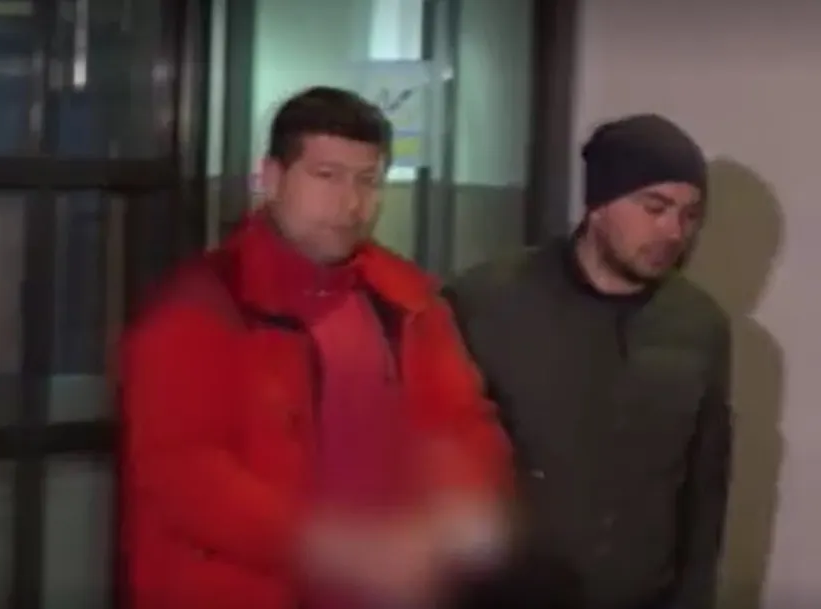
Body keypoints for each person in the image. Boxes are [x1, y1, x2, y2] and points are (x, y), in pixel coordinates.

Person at [117, 86, 512, 609]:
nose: (350, 203)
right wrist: (328, 547)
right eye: (326, 176)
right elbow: (183, 473)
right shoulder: (197, 308)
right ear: (272, 178)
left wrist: (462, 507)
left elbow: (460, 423)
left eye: (368, 180)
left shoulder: (408, 299)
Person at [444, 114, 732, 609]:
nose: (673, 231)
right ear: (598, 204)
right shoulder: (487, 303)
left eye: (689, 214)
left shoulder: (699, 325)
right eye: (654, 207)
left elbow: (705, 494)